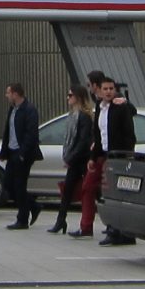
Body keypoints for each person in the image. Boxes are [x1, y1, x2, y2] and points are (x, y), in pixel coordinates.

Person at [70, 71, 139, 243]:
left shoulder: (119, 105)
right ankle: (86, 227)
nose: (108, 92)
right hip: (102, 155)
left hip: (116, 157)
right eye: (105, 89)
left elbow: (130, 131)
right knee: (88, 186)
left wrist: (124, 156)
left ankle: (116, 230)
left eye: (111, 89)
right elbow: (98, 135)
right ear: (100, 90)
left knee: (112, 192)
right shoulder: (100, 107)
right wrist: (92, 158)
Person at [45, 85, 95, 233]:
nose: (68, 98)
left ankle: (86, 224)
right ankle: (61, 221)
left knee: (88, 191)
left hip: (82, 159)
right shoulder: (72, 115)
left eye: (70, 95)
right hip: (75, 158)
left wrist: (70, 158)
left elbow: (83, 141)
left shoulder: (84, 116)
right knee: (67, 190)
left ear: (78, 97)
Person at [0, 83, 42, 230]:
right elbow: (8, 132)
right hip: (12, 152)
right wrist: (4, 152)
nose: (7, 96)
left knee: (19, 185)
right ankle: (33, 206)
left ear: (15, 94)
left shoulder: (29, 110)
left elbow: (31, 134)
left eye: (8, 93)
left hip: (23, 154)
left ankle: (22, 219)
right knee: (8, 184)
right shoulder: (13, 109)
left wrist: (22, 153)